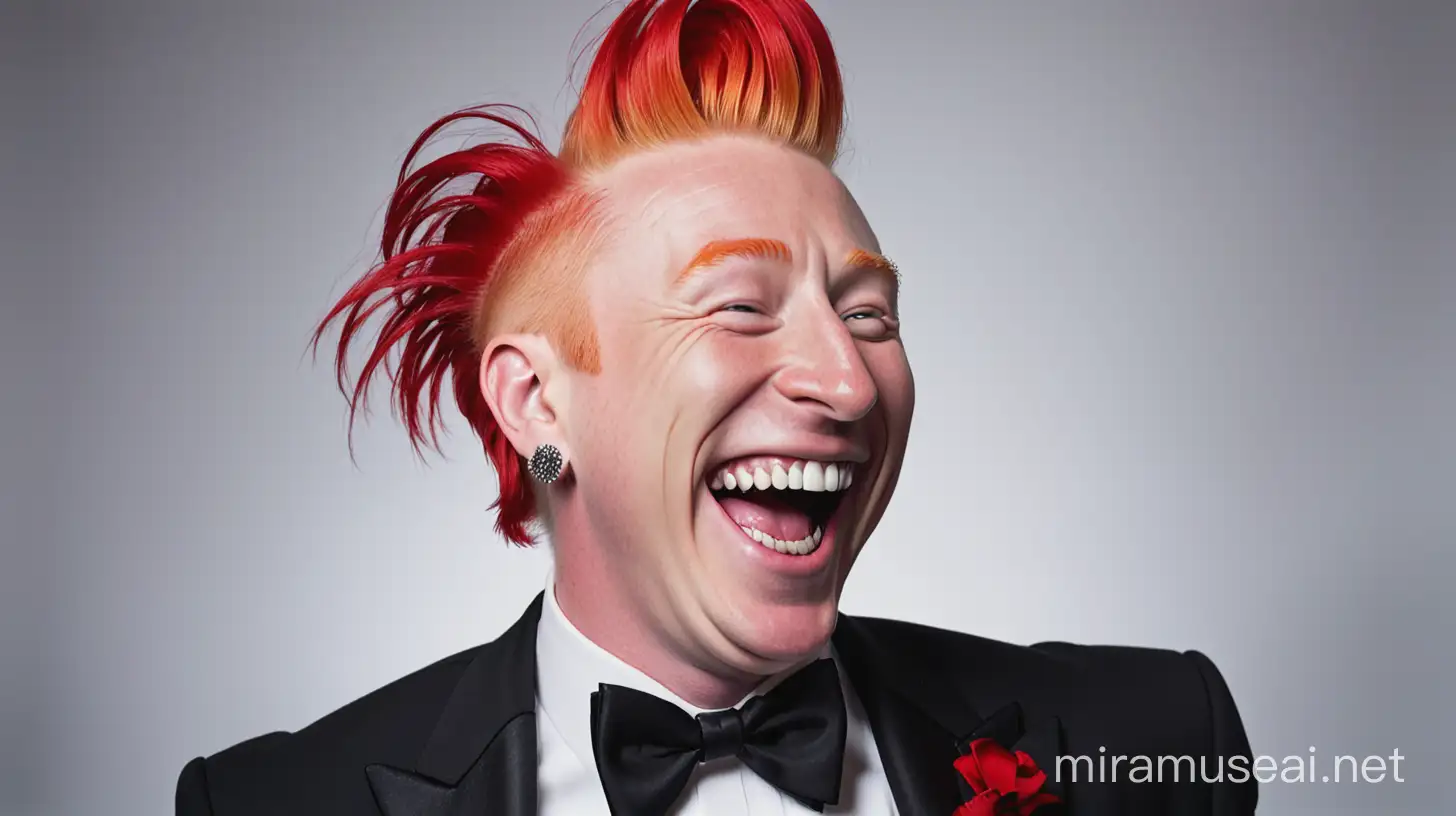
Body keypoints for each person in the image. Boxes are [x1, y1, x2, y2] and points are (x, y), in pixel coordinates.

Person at [175, 1, 1257, 813]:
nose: (844, 383)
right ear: (535, 400)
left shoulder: (1158, 748)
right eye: (742, 307)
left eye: (871, 316)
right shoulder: (275, 804)